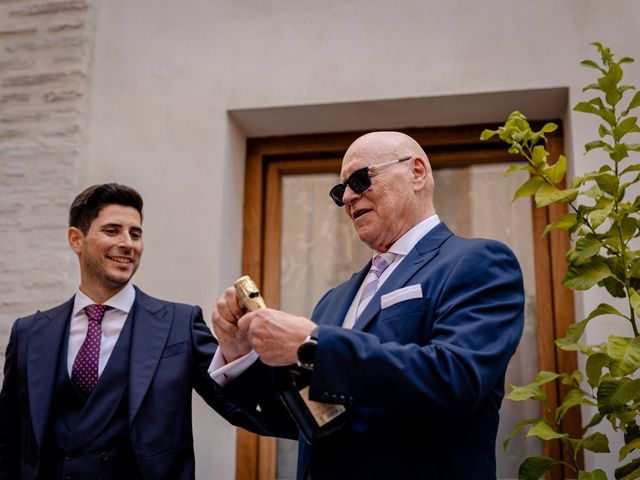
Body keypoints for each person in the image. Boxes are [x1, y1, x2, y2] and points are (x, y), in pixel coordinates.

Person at [212, 131, 526, 479]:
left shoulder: (478, 261)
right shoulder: (333, 302)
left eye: (360, 179)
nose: (347, 197)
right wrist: (239, 355)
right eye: (340, 190)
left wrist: (313, 346)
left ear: (417, 171)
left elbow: (455, 378)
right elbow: (307, 419)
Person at [0, 183, 269, 480]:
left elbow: (244, 409)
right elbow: (8, 441)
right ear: (76, 239)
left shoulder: (179, 324)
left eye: (136, 234)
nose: (128, 243)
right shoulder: (29, 333)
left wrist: (240, 353)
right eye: (112, 231)